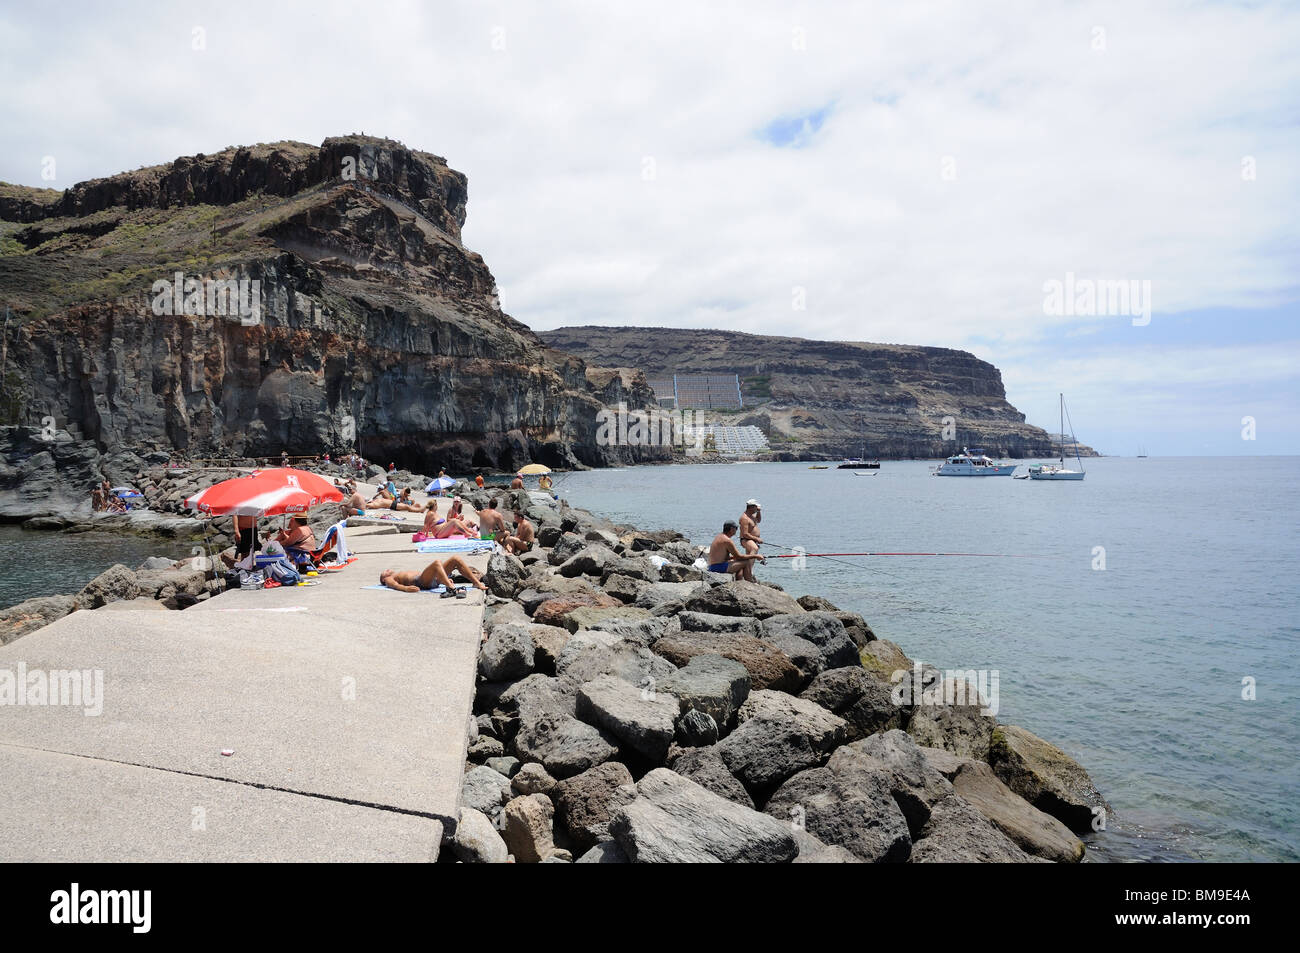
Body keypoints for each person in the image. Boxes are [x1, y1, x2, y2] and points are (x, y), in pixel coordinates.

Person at [378, 556, 487, 593]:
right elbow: (394, 585)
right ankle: (451, 588)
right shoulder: (389, 579)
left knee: (455, 559)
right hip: (420, 582)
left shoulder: (398, 574)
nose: (387, 570)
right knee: (436, 563)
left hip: (431, 579)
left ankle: (476, 583)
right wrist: (406, 589)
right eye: (384, 572)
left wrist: (444, 579)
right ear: (383, 579)